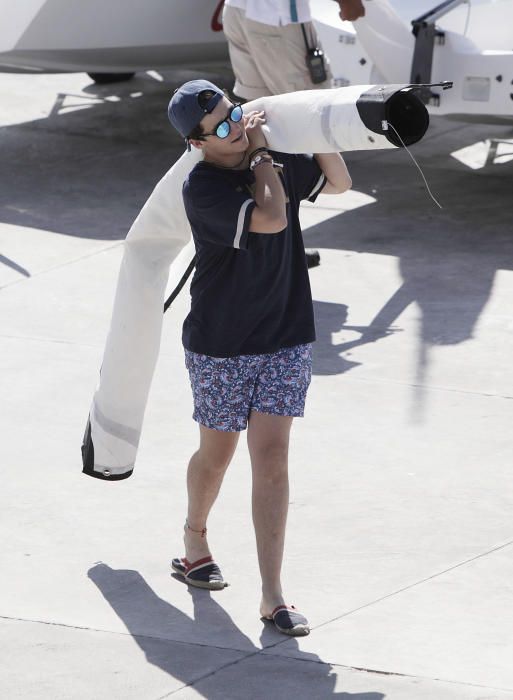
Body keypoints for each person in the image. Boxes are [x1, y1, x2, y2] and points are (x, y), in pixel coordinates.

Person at [167, 79, 352, 636]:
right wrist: (266, 155)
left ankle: (273, 597)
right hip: (223, 343)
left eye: (235, 113)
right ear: (198, 144)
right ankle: (194, 536)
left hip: (286, 333)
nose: (236, 129)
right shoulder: (204, 188)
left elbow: (340, 181)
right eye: (221, 128)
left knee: (272, 458)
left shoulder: (270, 157)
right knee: (217, 456)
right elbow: (272, 217)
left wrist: (308, 117)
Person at [222, 0, 365, 268]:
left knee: (258, 128)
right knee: (309, 112)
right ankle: (279, 246)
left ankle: (268, 246)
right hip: (275, 20)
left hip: (240, 10)